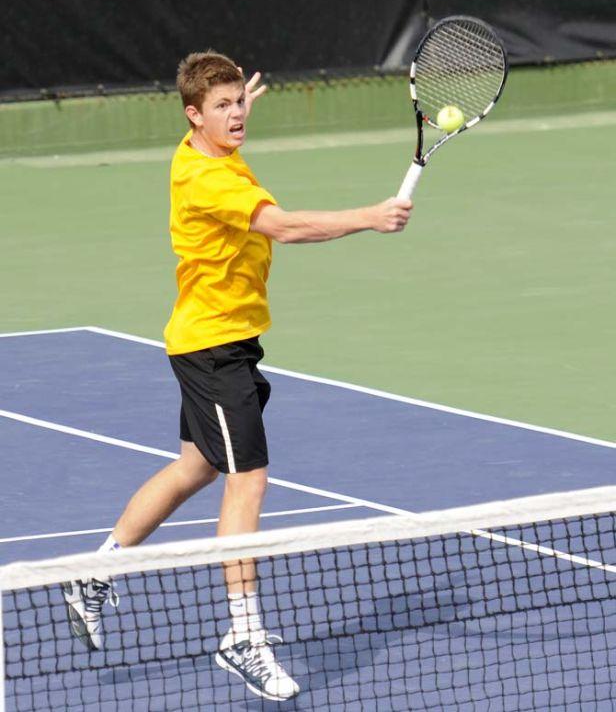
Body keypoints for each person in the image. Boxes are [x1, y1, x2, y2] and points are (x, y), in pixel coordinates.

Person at [62, 51, 412, 701]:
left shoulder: (203, 148)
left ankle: (94, 569)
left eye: (238, 102)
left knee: (195, 466)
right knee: (246, 478)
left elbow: (223, 127)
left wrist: (231, 106)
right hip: (213, 349)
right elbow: (283, 226)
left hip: (224, 341)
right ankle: (243, 636)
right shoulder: (210, 179)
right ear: (192, 115)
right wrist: (370, 215)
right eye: (220, 107)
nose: (236, 114)